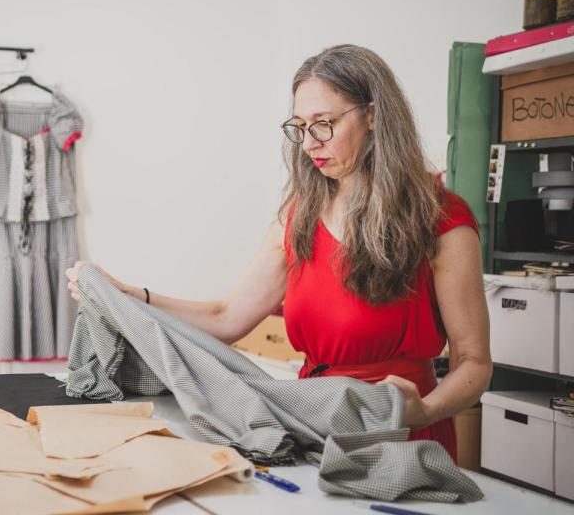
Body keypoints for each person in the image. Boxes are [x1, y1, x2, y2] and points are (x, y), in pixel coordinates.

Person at [65, 44, 491, 461]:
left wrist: (426, 411)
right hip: (312, 426)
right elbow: (225, 318)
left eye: (323, 124)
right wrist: (129, 296)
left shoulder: (441, 220)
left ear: (374, 115)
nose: (308, 143)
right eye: (300, 127)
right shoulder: (298, 217)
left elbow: (473, 362)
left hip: (400, 433)